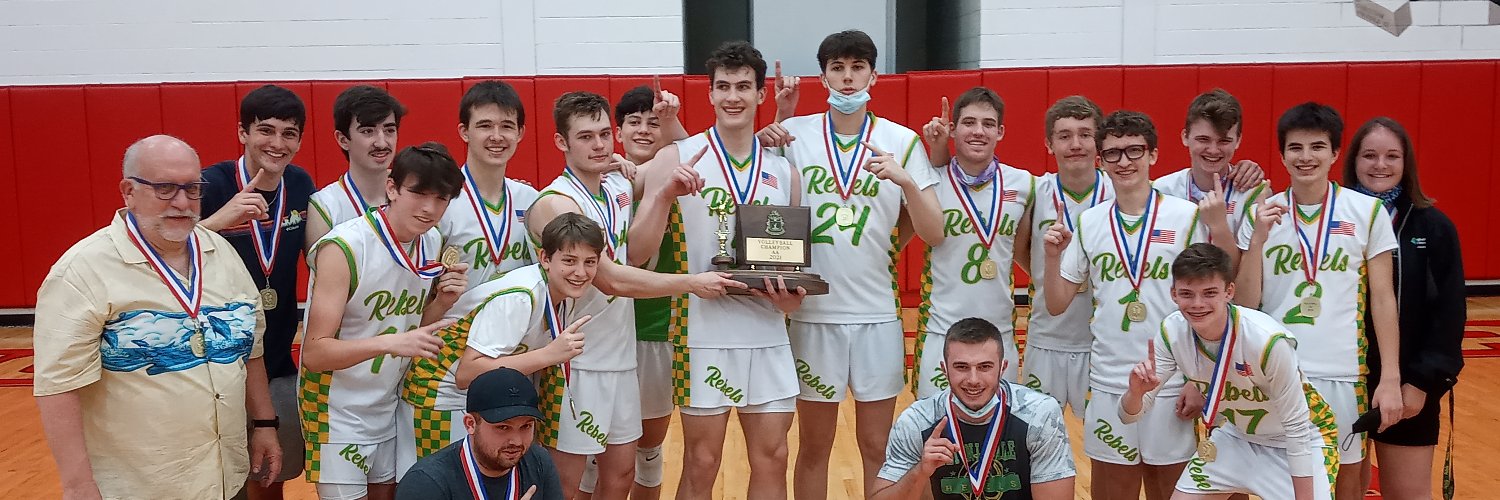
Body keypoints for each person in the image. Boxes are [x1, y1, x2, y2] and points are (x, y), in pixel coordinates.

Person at [525, 90, 744, 499]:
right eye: (586, 136)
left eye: (604, 135)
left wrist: (663, 190)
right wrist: (690, 282)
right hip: (575, 363)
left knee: (621, 477)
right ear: (561, 142)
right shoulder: (556, 202)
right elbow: (610, 280)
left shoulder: (616, 190)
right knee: (568, 483)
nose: (599, 145)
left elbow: (640, 244)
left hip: (622, 358)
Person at [33, 135, 279, 499]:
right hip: (141, 485)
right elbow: (58, 387)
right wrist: (78, 485)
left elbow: (250, 349)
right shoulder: (81, 271)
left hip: (226, 474)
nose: (182, 202)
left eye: (192, 188)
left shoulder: (223, 254)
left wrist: (263, 423)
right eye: (165, 188)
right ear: (128, 191)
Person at [763, 29, 948, 500]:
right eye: (838, 69)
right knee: (814, 447)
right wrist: (775, 121)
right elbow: (763, 206)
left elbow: (934, 232)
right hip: (812, 315)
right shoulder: (795, 135)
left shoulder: (901, 141)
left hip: (878, 317)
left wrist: (907, 182)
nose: (848, 79)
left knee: (877, 445)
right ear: (823, 76)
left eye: (857, 68)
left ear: (874, 75)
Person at [629, 40, 807, 500]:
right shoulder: (677, 157)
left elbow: (790, 265)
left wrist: (789, 299)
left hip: (766, 334)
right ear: (708, 94)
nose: (733, 96)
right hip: (699, 333)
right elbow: (635, 252)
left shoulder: (784, 171)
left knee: (774, 458)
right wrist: (665, 194)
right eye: (723, 86)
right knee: (702, 462)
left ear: (761, 95)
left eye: (743, 86)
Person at [1042, 110, 1237, 500]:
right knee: (1112, 492)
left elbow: (1219, 299)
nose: (1124, 161)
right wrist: (1051, 256)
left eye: (1134, 150)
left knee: (1172, 491)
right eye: (1113, 153)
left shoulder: (1186, 217)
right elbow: (1057, 302)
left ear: (1153, 155)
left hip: (1173, 382)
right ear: (1100, 160)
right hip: (1110, 382)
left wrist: (1203, 381)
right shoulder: (1089, 223)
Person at [1234, 103, 1404, 500]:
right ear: (1282, 154)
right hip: (1279, 371)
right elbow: (1244, 301)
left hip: (1343, 371)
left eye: (1317, 147)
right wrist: (1257, 237)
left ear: (1335, 153)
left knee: (1346, 484)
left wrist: (1391, 377)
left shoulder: (1367, 211)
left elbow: (1382, 298)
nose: (1306, 157)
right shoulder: (1263, 214)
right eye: (1296, 148)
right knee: (1283, 484)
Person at [299, 143, 469, 500]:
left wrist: (441, 302)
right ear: (391, 188)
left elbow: (410, 325)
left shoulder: (431, 240)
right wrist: (390, 344)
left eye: (441, 199)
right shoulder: (343, 247)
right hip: (337, 410)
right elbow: (314, 353)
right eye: (418, 194)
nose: (429, 209)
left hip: (390, 404)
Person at [397, 80, 546, 481]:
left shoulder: (531, 201)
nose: (496, 136)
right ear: (464, 132)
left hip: (510, 363)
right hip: (447, 369)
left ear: (521, 133)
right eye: (484, 125)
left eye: (507, 125)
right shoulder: (442, 205)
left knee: (504, 476)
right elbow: (414, 302)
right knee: (444, 480)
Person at [1122, 243, 1338, 500]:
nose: (1198, 304)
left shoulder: (1267, 341)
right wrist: (1135, 393)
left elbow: (1297, 426)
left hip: (1301, 440)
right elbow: (1128, 416)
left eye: (1209, 292)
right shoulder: (1171, 332)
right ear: (1174, 294)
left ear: (1229, 292)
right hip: (1237, 437)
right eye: (1187, 294)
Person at [199, 84, 317, 499]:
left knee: (270, 476)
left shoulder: (300, 185)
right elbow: (167, 253)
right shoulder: (210, 185)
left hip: (277, 359)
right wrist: (216, 220)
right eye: (266, 130)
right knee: (220, 479)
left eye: (289, 133)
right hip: (212, 364)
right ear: (242, 132)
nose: (277, 143)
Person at [1344, 117, 1464, 500]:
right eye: (1370, 155)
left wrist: (1423, 383)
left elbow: (1449, 315)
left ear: (1406, 162)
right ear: (1352, 161)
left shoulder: (1433, 227)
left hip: (1406, 385)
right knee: (1339, 491)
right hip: (1340, 381)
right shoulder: (1333, 219)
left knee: (1407, 494)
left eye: (1391, 156)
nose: (1380, 165)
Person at [910, 86, 1034, 398]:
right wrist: (937, 152)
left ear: (1001, 131)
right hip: (941, 332)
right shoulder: (929, 181)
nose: (978, 131)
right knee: (936, 436)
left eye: (988, 124)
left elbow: (1023, 252)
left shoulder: (1024, 184)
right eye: (968, 122)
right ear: (952, 128)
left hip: (999, 334)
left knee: (999, 437)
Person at [870, 317, 1075, 500]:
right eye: (961, 367)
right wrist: (920, 472)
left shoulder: (1039, 415)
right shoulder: (917, 421)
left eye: (985, 367)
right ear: (944, 369)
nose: (973, 379)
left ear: (1002, 368)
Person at [615, 82, 689, 500]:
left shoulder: (682, 178)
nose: (644, 130)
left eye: (652, 122)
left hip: (659, 329)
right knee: (597, 451)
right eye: (633, 122)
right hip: (603, 332)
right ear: (618, 130)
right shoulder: (602, 177)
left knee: (648, 449)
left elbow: (694, 148)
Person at [1017, 96, 1110, 419]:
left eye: (1085, 134)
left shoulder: (1118, 194)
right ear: (1048, 143)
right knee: (1036, 442)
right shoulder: (1035, 192)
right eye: (1065, 135)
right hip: (1045, 341)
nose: (1076, 144)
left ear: (1099, 142)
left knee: (1105, 446)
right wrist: (1055, 276)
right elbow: (1019, 248)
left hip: (1099, 345)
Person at [396, 367, 563, 500]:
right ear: (470, 424)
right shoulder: (425, 483)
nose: (517, 441)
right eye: (503, 427)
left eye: (526, 426)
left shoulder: (539, 461)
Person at [1153, 89, 1268, 249]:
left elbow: (1250, 265)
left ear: (1238, 140)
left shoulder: (1252, 192)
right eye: (1203, 139)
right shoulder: (1162, 190)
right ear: (1185, 137)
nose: (1213, 150)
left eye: (1224, 141)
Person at [308, 84, 406, 243]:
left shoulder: (412, 193)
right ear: (342, 139)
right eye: (368, 131)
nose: (381, 143)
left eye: (389, 130)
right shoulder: (325, 206)